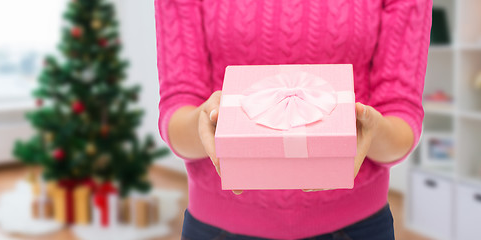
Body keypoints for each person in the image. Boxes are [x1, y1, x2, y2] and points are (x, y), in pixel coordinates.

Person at [154, 0, 431, 239]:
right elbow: (178, 108)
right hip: (219, 227)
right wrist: (203, 122)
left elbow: (401, 115)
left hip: (357, 226)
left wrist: (371, 129)